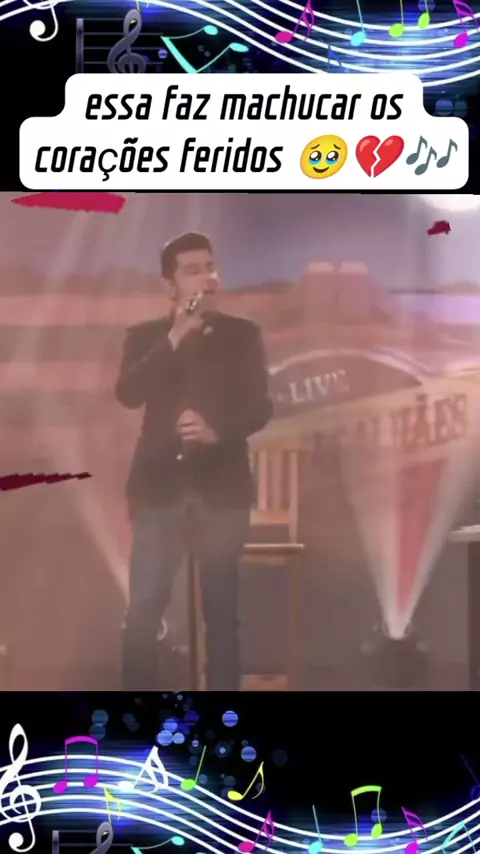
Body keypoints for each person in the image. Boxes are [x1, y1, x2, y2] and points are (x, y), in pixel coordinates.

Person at [116, 231, 273, 691]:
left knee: (221, 614)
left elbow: (260, 406)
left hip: (221, 488)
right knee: (143, 611)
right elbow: (128, 393)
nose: (206, 277)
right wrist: (175, 336)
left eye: (209, 267)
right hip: (158, 490)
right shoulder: (145, 337)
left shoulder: (242, 336)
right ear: (171, 285)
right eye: (192, 270)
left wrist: (216, 431)